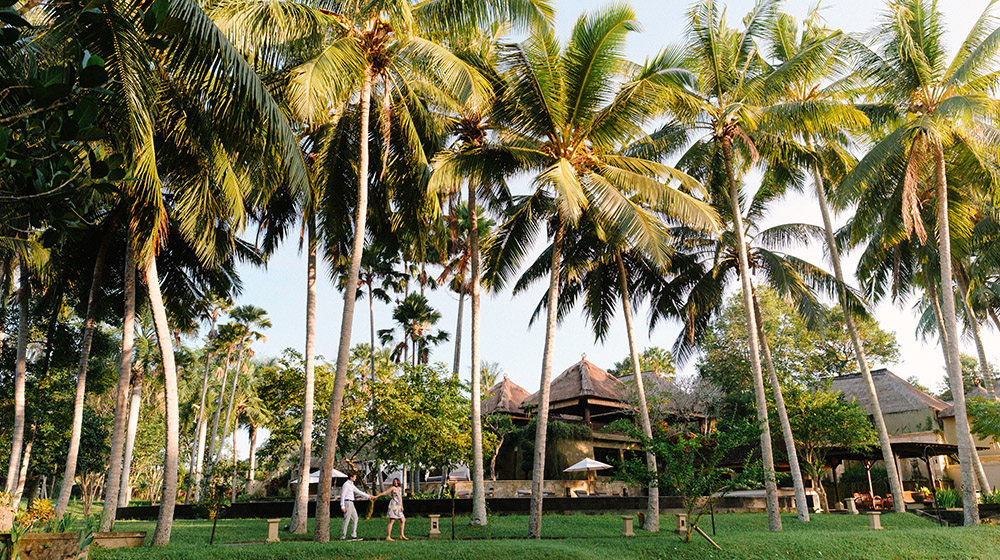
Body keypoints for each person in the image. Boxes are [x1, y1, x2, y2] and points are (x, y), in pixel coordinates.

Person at [340, 472, 372, 541]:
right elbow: (343, 495)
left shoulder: (351, 485)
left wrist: (368, 496)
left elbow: (358, 491)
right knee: (347, 519)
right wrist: (342, 506)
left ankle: (354, 535)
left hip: (351, 502)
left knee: (355, 518)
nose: (355, 478)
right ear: (351, 477)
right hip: (347, 502)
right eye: (354, 476)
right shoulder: (346, 485)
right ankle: (343, 536)